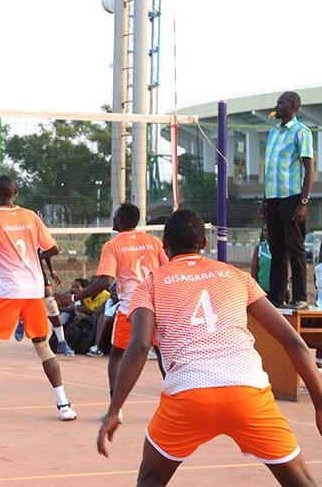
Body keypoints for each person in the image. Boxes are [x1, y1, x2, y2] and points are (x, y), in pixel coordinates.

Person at [97, 209, 322, 487]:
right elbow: (293, 342)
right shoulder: (236, 276)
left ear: (165, 247)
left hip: (189, 396)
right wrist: (320, 403)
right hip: (248, 392)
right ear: (204, 244)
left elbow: (140, 346)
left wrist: (114, 410)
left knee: (151, 478)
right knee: (302, 482)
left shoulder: (151, 284)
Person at [0, 175, 77, 423]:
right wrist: (34, 256)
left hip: (10, 291)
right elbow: (54, 249)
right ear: (15, 192)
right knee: (43, 347)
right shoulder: (31, 217)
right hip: (34, 290)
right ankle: (64, 405)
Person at [74, 202, 168, 423]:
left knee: (116, 355)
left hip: (131, 309)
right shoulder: (153, 241)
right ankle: (176, 403)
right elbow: (167, 269)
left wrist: (74, 297)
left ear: (122, 220)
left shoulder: (112, 245)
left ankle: (116, 409)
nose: (113, 219)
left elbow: (105, 281)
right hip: (157, 306)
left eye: (116, 216)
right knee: (163, 355)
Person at [261, 91, 314, 310]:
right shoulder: (274, 132)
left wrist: (303, 202)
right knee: (276, 249)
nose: (277, 106)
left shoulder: (301, 132)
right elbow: (270, 170)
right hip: (273, 199)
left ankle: (300, 297)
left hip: (292, 198)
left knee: (295, 248)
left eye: (281, 103)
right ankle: (276, 296)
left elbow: (309, 168)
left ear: (293, 106)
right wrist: (265, 202)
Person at [14, 253, 75, 357]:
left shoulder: (39, 237)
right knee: (25, 299)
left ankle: (62, 342)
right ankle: (22, 321)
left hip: (38, 273)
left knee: (51, 305)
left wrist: (52, 271)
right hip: (22, 272)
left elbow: (49, 250)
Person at [87, 285, 119, 357]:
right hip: (104, 324)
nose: (113, 294)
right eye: (112, 292)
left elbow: (116, 317)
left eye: (115, 292)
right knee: (96, 317)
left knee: (103, 318)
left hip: (115, 325)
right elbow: (96, 312)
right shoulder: (109, 301)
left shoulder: (122, 303)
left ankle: (97, 347)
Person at [250, 226, 272, 294]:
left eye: (269, 230)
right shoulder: (259, 248)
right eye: (265, 230)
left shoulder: (283, 248)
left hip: (278, 290)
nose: (267, 233)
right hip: (262, 289)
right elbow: (254, 271)